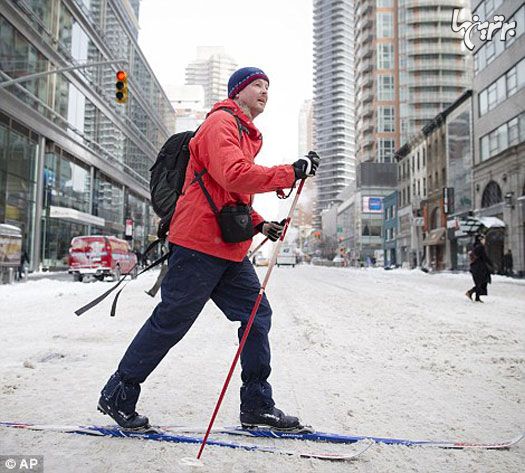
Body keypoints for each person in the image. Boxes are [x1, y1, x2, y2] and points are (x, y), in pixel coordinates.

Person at [98, 67, 320, 431]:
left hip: (228, 250)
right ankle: (118, 393)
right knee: (171, 322)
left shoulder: (245, 133)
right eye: (258, 86)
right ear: (238, 91)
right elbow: (235, 174)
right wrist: (289, 172)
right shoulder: (220, 123)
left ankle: (256, 404)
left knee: (256, 316)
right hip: (197, 245)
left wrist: (260, 223)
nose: (265, 91)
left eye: (268, 86)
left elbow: (230, 194)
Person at [466, 234, 493, 303]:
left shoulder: (474, 246)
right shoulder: (480, 247)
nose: (484, 241)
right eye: (483, 239)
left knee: (479, 282)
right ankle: (471, 293)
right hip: (480, 267)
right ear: (480, 240)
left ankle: (475, 296)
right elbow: (484, 257)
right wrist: (491, 264)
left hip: (475, 267)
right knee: (482, 282)